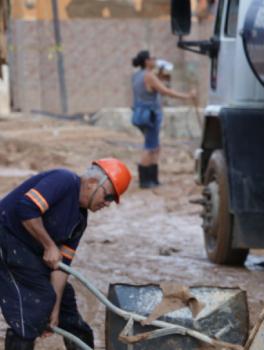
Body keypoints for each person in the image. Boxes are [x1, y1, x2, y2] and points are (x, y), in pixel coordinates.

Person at [0, 158, 132, 349]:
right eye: (109, 197)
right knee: (35, 302)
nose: (107, 204)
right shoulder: (64, 180)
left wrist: (55, 310)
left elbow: (61, 267)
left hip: (25, 252)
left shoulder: (79, 220)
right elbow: (26, 208)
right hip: (6, 238)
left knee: (65, 305)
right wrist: (49, 245)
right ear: (93, 183)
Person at [130, 50, 195, 189]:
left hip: (140, 114)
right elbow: (166, 91)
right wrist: (187, 96)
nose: (155, 60)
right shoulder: (149, 76)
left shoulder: (136, 76)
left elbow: (148, 89)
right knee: (150, 147)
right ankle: (146, 181)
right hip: (150, 115)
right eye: (153, 58)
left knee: (155, 146)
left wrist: (159, 74)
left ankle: (152, 179)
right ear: (147, 61)